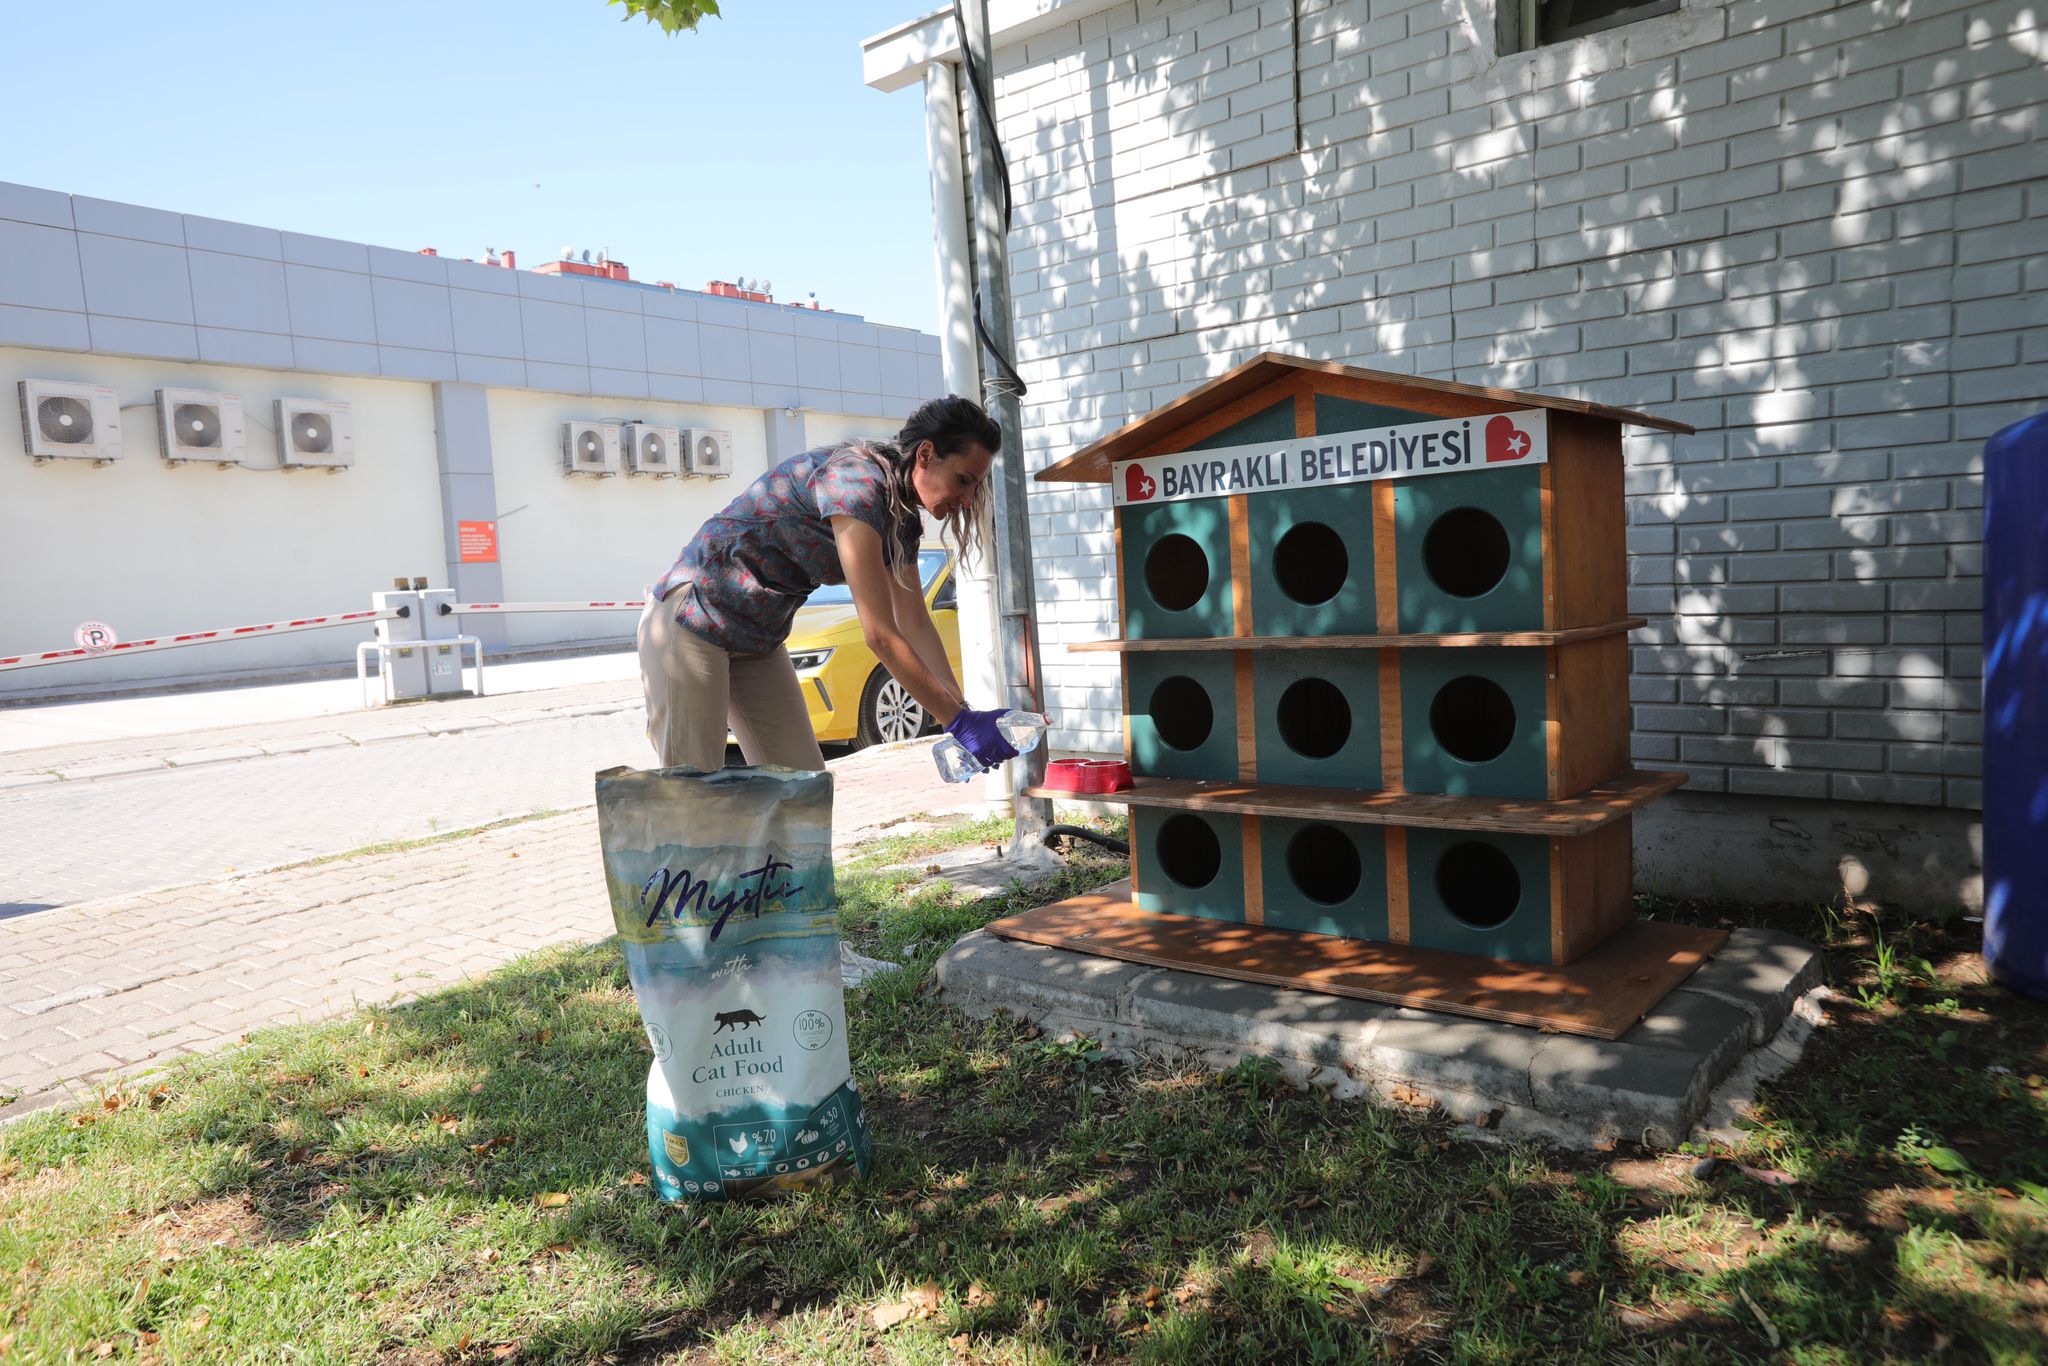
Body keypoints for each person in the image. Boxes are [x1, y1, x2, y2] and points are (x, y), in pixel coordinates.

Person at [638, 395, 1022, 777]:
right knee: (691, 790)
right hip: (695, 617)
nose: (969, 498)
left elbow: (916, 625)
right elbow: (881, 635)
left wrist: (962, 714)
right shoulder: (855, 483)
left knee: (800, 787)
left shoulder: (902, 521)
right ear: (925, 454)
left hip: (758, 636)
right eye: (963, 480)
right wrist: (957, 722)